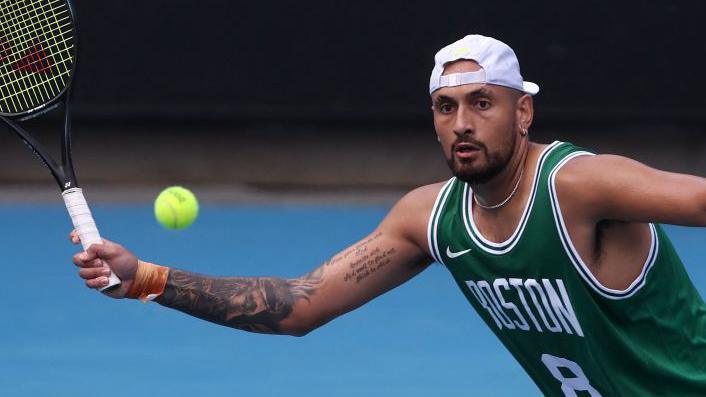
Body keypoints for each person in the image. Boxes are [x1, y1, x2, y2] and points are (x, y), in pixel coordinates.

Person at [71, 35, 706, 396]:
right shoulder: (429, 218)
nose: (461, 122)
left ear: (523, 113)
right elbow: (296, 306)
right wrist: (147, 278)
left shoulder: (579, 185)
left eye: (482, 103)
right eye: (445, 106)